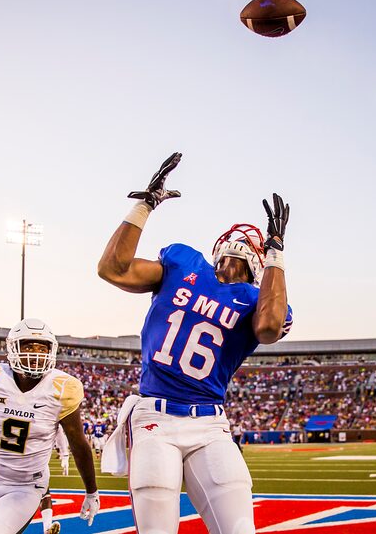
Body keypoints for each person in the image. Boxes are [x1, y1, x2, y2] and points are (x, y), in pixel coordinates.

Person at [97, 153, 292, 534]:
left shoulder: (257, 300)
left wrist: (276, 253)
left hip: (210, 425)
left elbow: (269, 327)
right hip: (155, 418)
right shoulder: (184, 263)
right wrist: (145, 206)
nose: (242, 240)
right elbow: (113, 268)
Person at [0, 318, 100, 533]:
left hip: (26, 487)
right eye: (29, 346)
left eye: (43, 348)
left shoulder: (62, 388)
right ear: (13, 348)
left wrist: (91, 492)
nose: (36, 354)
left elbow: (78, 443)